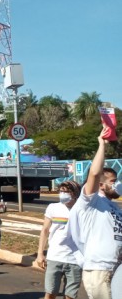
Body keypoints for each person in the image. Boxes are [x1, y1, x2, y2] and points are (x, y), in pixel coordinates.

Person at [68, 127, 122, 299]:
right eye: (113, 182)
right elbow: (94, 173)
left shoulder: (113, 207)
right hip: (99, 269)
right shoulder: (90, 201)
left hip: (116, 268)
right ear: (101, 185)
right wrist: (102, 145)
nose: (117, 185)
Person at [36, 181, 82, 299]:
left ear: (75, 194)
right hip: (55, 257)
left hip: (75, 259)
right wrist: (40, 254)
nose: (62, 194)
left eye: (66, 192)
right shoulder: (53, 207)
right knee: (51, 293)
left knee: (70, 295)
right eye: (61, 191)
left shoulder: (82, 210)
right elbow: (45, 230)